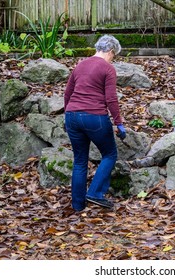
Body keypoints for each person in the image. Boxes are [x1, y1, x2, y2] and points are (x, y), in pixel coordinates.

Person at [64, 35, 126, 212]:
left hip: (72, 116)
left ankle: (78, 206)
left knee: (80, 161)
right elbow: (111, 99)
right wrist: (119, 123)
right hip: (94, 117)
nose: (113, 58)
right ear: (111, 51)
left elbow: (67, 94)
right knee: (109, 154)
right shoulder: (108, 68)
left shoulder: (81, 64)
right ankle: (95, 193)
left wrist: (67, 116)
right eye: (114, 55)